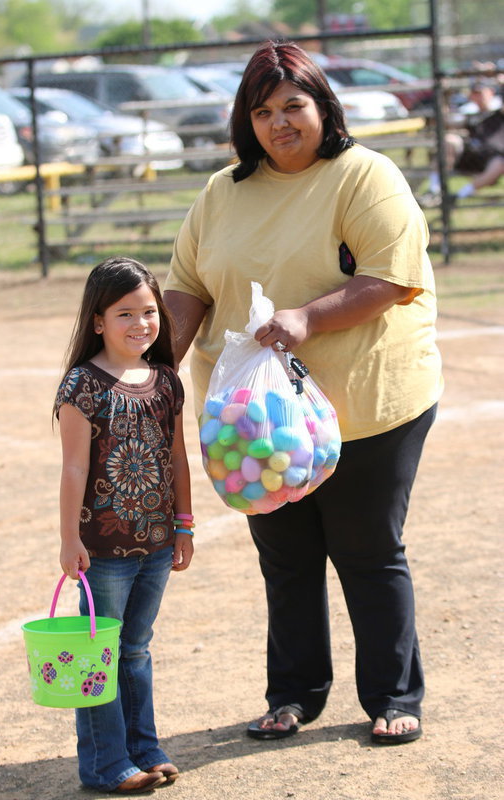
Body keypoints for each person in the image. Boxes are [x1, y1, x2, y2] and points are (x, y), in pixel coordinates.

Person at [163, 41, 443, 746]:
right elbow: (188, 285)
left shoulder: (362, 176)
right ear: (245, 120)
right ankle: (293, 695)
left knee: (365, 547)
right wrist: (154, 366)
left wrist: (306, 318)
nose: (279, 122)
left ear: (323, 106)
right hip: (253, 417)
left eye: (294, 105)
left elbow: (389, 275)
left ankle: (391, 695)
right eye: (262, 111)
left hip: (364, 400)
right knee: (284, 556)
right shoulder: (222, 190)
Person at [55, 256, 194, 793]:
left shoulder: (165, 381)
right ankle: (106, 763)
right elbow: (73, 467)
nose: (141, 324)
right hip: (102, 550)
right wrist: (70, 539)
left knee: (135, 648)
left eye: (149, 311)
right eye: (125, 313)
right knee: (101, 655)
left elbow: (177, 459)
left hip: (158, 543)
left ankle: (145, 748)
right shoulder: (82, 386)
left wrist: (184, 527)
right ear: (97, 320)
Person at [424, 78, 504, 205]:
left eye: (481, 92)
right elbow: (445, 122)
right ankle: (434, 189)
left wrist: (499, 79)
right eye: (475, 93)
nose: (478, 96)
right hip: (473, 156)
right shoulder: (471, 115)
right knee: (449, 140)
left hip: (495, 159)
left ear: (491, 92)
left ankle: (459, 195)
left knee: (500, 162)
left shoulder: (498, 112)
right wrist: (444, 94)